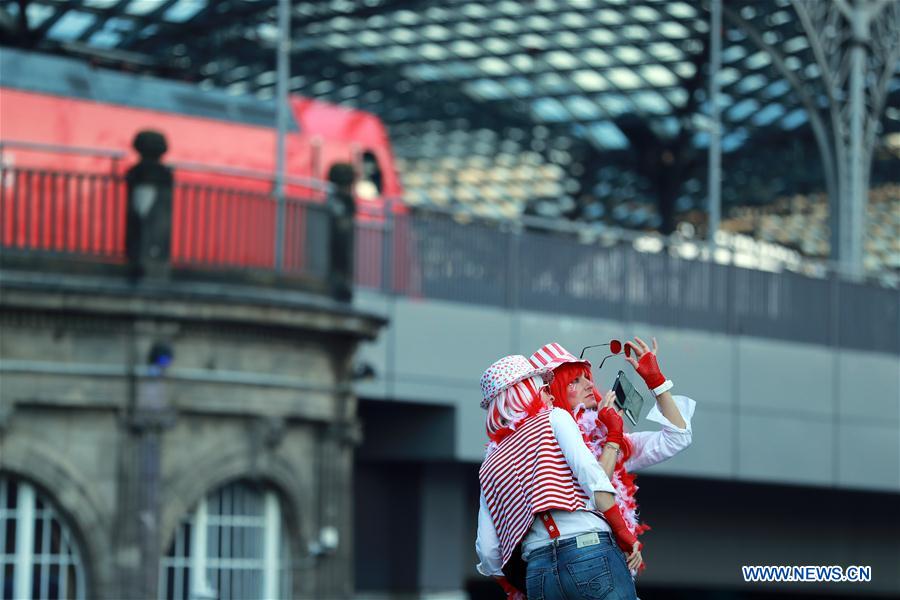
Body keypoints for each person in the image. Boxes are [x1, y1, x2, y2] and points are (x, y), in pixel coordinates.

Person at [475, 354, 642, 600]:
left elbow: (488, 552)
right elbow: (592, 478)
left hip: (538, 570)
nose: (551, 395)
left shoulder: (489, 462)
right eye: (543, 388)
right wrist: (624, 535)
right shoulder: (554, 418)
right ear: (524, 392)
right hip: (588, 549)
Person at [529, 337, 695, 576]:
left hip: (607, 564)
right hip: (578, 565)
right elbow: (596, 487)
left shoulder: (605, 437)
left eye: (587, 377)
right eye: (574, 381)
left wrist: (656, 382)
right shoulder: (548, 442)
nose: (588, 384)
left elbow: (677, 438)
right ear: (553, 392)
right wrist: (614, 436)